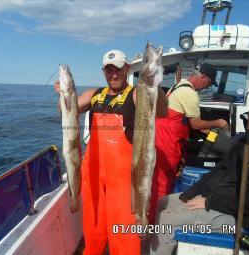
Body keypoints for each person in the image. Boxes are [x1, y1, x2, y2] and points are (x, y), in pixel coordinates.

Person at [54, 49, 167, 255]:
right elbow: (65, 110)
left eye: (118, 69)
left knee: (123, 235)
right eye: (109, 70)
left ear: (127, 69)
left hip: (123, 179)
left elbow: (161, 111)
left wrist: (154, 87)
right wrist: (64, 95)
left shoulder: (136, 93)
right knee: (93, 227)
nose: (113, 74)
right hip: (93, 174)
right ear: (103, 71)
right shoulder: (94, 95)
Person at [150, 104, 249, 255]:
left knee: (167, 221)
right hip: (214, 197)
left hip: (236, 216)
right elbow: (217, 171)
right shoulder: (243, 143)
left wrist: (209, 202)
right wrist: (190, 193)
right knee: (162, 203)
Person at [149, 63, 229, 224]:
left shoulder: (178, 86)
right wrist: (219, 122)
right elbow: (196, 124)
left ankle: (154, 217)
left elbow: (182, 119)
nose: (207, 87)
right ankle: (156, 223)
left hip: (160, 140)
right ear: (203, 78)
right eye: (208, 83)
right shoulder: (190, 93)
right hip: (168, 144)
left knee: (157, 182)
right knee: (163, 184)